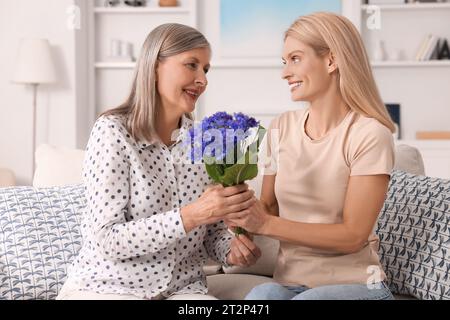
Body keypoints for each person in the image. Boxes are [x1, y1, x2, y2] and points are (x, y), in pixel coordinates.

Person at [57, 23, 261, 300]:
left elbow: (211, 233)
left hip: (183, 289)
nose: (202, 79)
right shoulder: (113, 132)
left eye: (206, 69)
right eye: (192, 65)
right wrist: (191, 215)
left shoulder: (204, 139)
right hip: (108, 286)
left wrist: (232, 249)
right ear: (154, 67)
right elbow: (107, 239)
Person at [224, 12, 396, 300]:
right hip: (291, 283)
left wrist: (265, 224)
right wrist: (243, 225)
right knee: (261, 295)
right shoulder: (280, 126)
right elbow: (268, 204)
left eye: (295, 59)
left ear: (331, 60)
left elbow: (353, 235)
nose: (284, 73)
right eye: (284, 62)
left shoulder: (370, 134)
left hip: (358, 285)